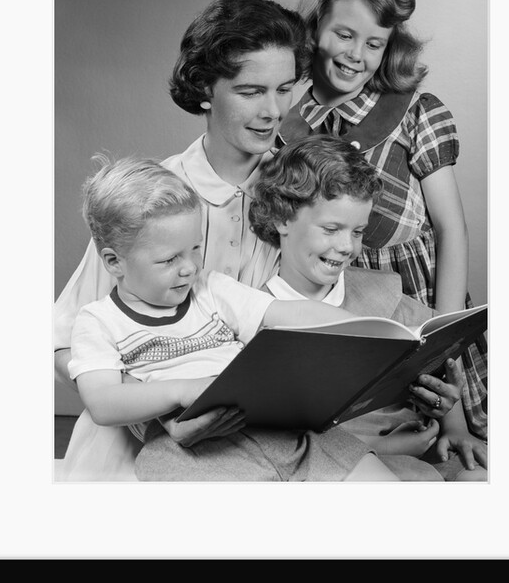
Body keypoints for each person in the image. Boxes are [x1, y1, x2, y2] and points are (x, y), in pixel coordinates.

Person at [54, 0, 311, 478]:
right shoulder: (153, 199)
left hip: (263, 441)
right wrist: (163, 413)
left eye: (285, 89)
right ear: (205, 89)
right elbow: (64, 344)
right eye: (251, 91)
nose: (274, 110)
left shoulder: (302, 193)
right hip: (133, 453)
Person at [70, 155, 403, 481]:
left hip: (276, 427)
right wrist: (183, 391)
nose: (189, 267)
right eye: (169, 260)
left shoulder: (210, 288)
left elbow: (287, 313)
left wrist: (372, 331)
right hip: (192, 450)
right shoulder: (97, 322)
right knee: (162, 468)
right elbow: (103, 402)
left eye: (195, 249)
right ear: (114, 262)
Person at [277, 0, 487, 440]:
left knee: (459, 439)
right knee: (363, 439)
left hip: (420, 298)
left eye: (374, 43)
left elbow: (450, 229)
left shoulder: (413, 113)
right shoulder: (286, 123)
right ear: (314, 29)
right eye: (344, 35)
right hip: (340, 306)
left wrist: (441, 334)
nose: (357, 54)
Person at [249, 134, 487, 480]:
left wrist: (446, 412)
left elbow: (438, 374)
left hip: (426, 458)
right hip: (339, 475)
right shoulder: (254, 316)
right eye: (331, 229)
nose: (347, 246)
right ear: (282, 219)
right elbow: (271, 443)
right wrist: (384, 448)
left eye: (358, 232)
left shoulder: (387, 293)